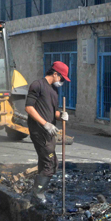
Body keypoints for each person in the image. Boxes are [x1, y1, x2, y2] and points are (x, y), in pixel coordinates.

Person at [24, 61, 69, 204]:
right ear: (55, 74)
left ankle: (37, 193)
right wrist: (45, 124)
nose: (62, 82)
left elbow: (53, 111)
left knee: (50, 163)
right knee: (49, 162)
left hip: (49, 133)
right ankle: (38, 195)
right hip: (39, 131)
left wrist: (61, 115)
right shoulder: (37, 85)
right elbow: (29, 108)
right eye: (62, 78)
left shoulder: (54, 91)